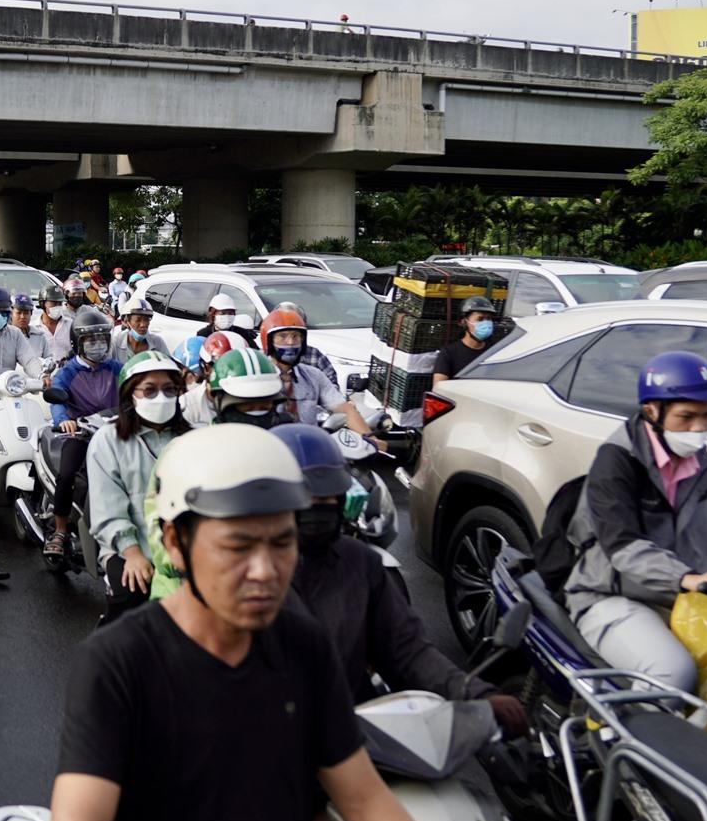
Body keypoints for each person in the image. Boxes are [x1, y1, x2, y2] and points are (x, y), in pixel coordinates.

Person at [52, 426, 512, 821]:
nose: (266, 571)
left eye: (281, 541)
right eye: (238, 547)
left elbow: (364, 801)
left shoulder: (303, 648)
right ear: (175, 542)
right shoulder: (117, 664)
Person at [278, 425, 524, 727]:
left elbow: (407, 650)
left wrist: (473, 693)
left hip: (354, 728)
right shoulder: (240, 574)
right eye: (305, 502)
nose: (317, 511)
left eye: (327, 500)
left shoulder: (359, 564)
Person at [563, 350, 707, 693]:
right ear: (651, 411)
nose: (699, 428)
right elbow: (622, 547)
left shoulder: (703, 467)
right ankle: (617, 741)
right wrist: (687, 577)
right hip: (610, 594)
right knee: (672, 675)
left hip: (688, 598)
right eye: (686, 417)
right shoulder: (616, 462)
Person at [85, 351, 188, 623]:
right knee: (130, 598)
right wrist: (132, 553)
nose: (162, 398)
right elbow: (108, 509)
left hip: (186, 549)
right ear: (130, 394)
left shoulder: (191, 438)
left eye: (169, 390)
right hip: (130, 546)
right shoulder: (108, 440)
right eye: (150, 391)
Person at [42, 307, 121, 563]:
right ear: (77, 343)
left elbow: (136, 387)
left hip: (116, 433)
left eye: (102, 339)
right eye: (91, 340)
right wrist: (64, 420)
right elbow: (56, 398)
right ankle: (61, 531)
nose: (98, 345)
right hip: (82, 435)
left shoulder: (117, 368)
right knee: (66, 476)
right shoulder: (67, 372)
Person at [258, 306, 384, 446]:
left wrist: (371, 441)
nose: (290, 342)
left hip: (310, 450)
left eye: (295, 336)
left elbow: (346, 409)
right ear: (268, 341)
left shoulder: (313, 375)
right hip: (270, 450)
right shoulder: (257, 375)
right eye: (282, 336)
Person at [206, 346, 290, 426]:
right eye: (247, 408)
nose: (257, 415)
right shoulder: (205, 440)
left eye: (264, 408)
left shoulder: (285, 437)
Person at [432, 296, 499, 385]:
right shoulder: (449, 353)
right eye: (480, 319)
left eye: (488, 319)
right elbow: (438, 387)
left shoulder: (494, 352)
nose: (486, 323)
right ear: (463, 322)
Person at [108, 294, 166, 360]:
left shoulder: (158, 342)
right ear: (126, 321)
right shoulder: (115, 342)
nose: (143, 324)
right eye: (138, 320)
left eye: (146, 319)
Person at [36, 287, 74, 364]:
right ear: (42, 304)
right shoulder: (33, 328)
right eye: (53, 303)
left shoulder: (71, 325)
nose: (57, 306)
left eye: (59, 303)